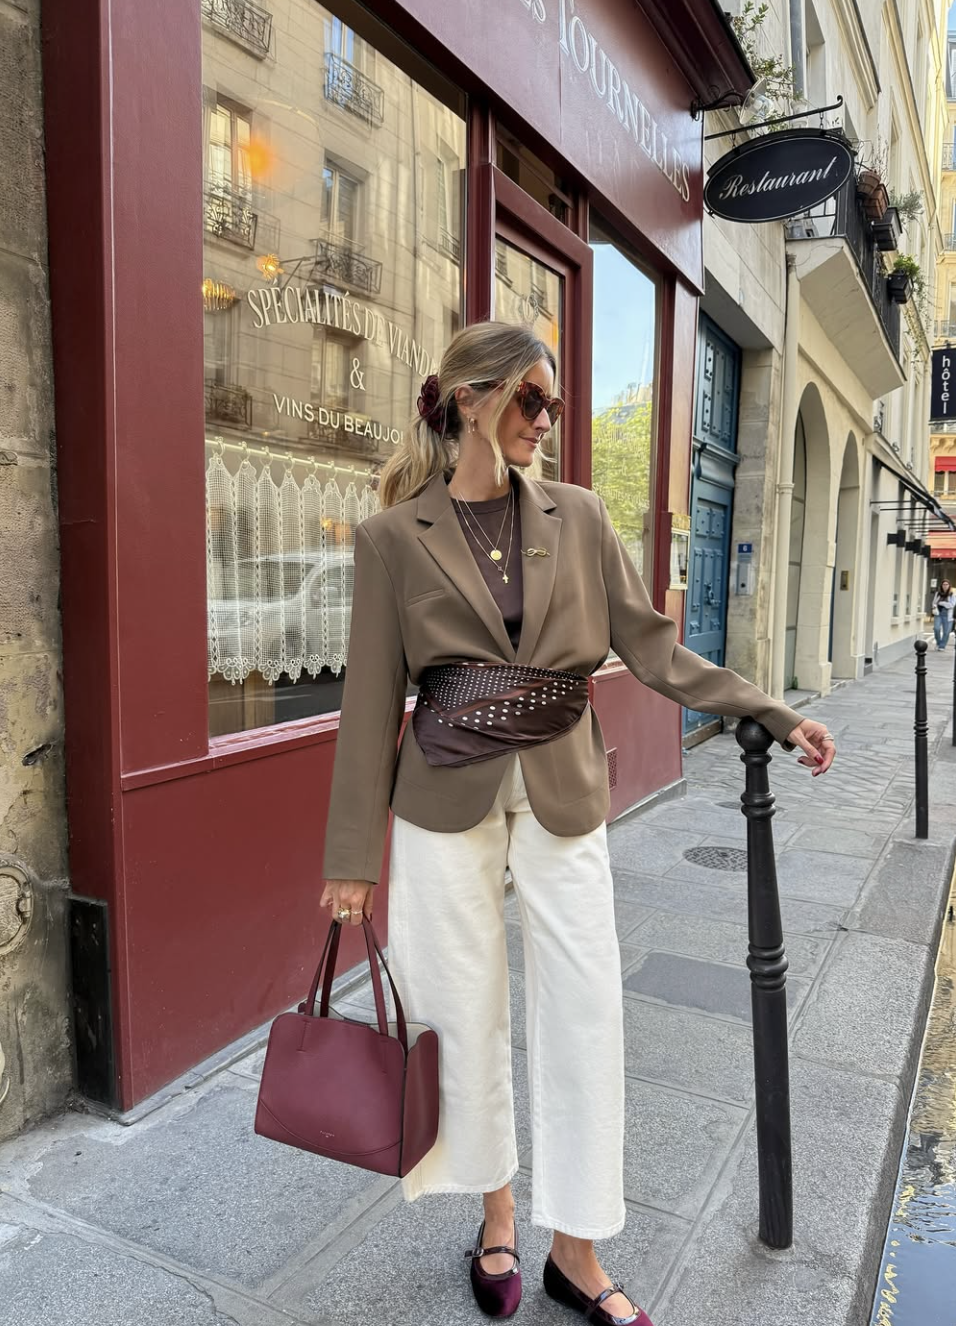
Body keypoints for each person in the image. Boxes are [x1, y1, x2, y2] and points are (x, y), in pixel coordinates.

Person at [320, 322, 836, 1325]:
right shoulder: (392, 539)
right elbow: (370, 695)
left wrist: (768, 710)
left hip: (558, 783)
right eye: (528, 401)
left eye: (551, 405)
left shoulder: (580, 514)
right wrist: (350, 857)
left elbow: (652, 650)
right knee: (459, 1011)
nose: (544, 421)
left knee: (586, 1005)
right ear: (468, 398)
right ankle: (499, 1217)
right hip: (440, 793)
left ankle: (578, 1251)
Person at [932, 579, 956, 651]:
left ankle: (942, 646)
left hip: (948, 616)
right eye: (943, 584)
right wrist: (934, 605)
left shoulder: (952, 594)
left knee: (946, 632)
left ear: (949, 586)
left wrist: (942, 603)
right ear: (941, 586)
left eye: (946, 584)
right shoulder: (938, 593)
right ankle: (938, 643)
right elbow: (934, 602)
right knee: (936, 629)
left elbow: (952, 605)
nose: (945, 586)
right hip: (938, 614)